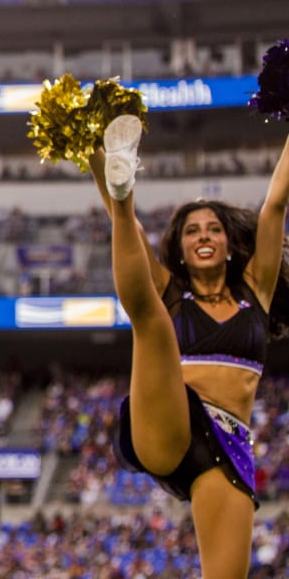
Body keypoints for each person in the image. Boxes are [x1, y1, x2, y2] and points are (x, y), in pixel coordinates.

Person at [91, 113, 289, 578]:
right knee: (153, 321)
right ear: (180, 249)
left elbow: (276, 204)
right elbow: (133, 237)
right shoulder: (171, 294)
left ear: (228, 245)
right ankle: (125, 187)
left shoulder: (254, 292)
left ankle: (123, 190)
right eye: (193, 230)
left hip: (228, 446)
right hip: (167, 426)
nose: (204, 235)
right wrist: (94, 157)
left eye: (214, 229)